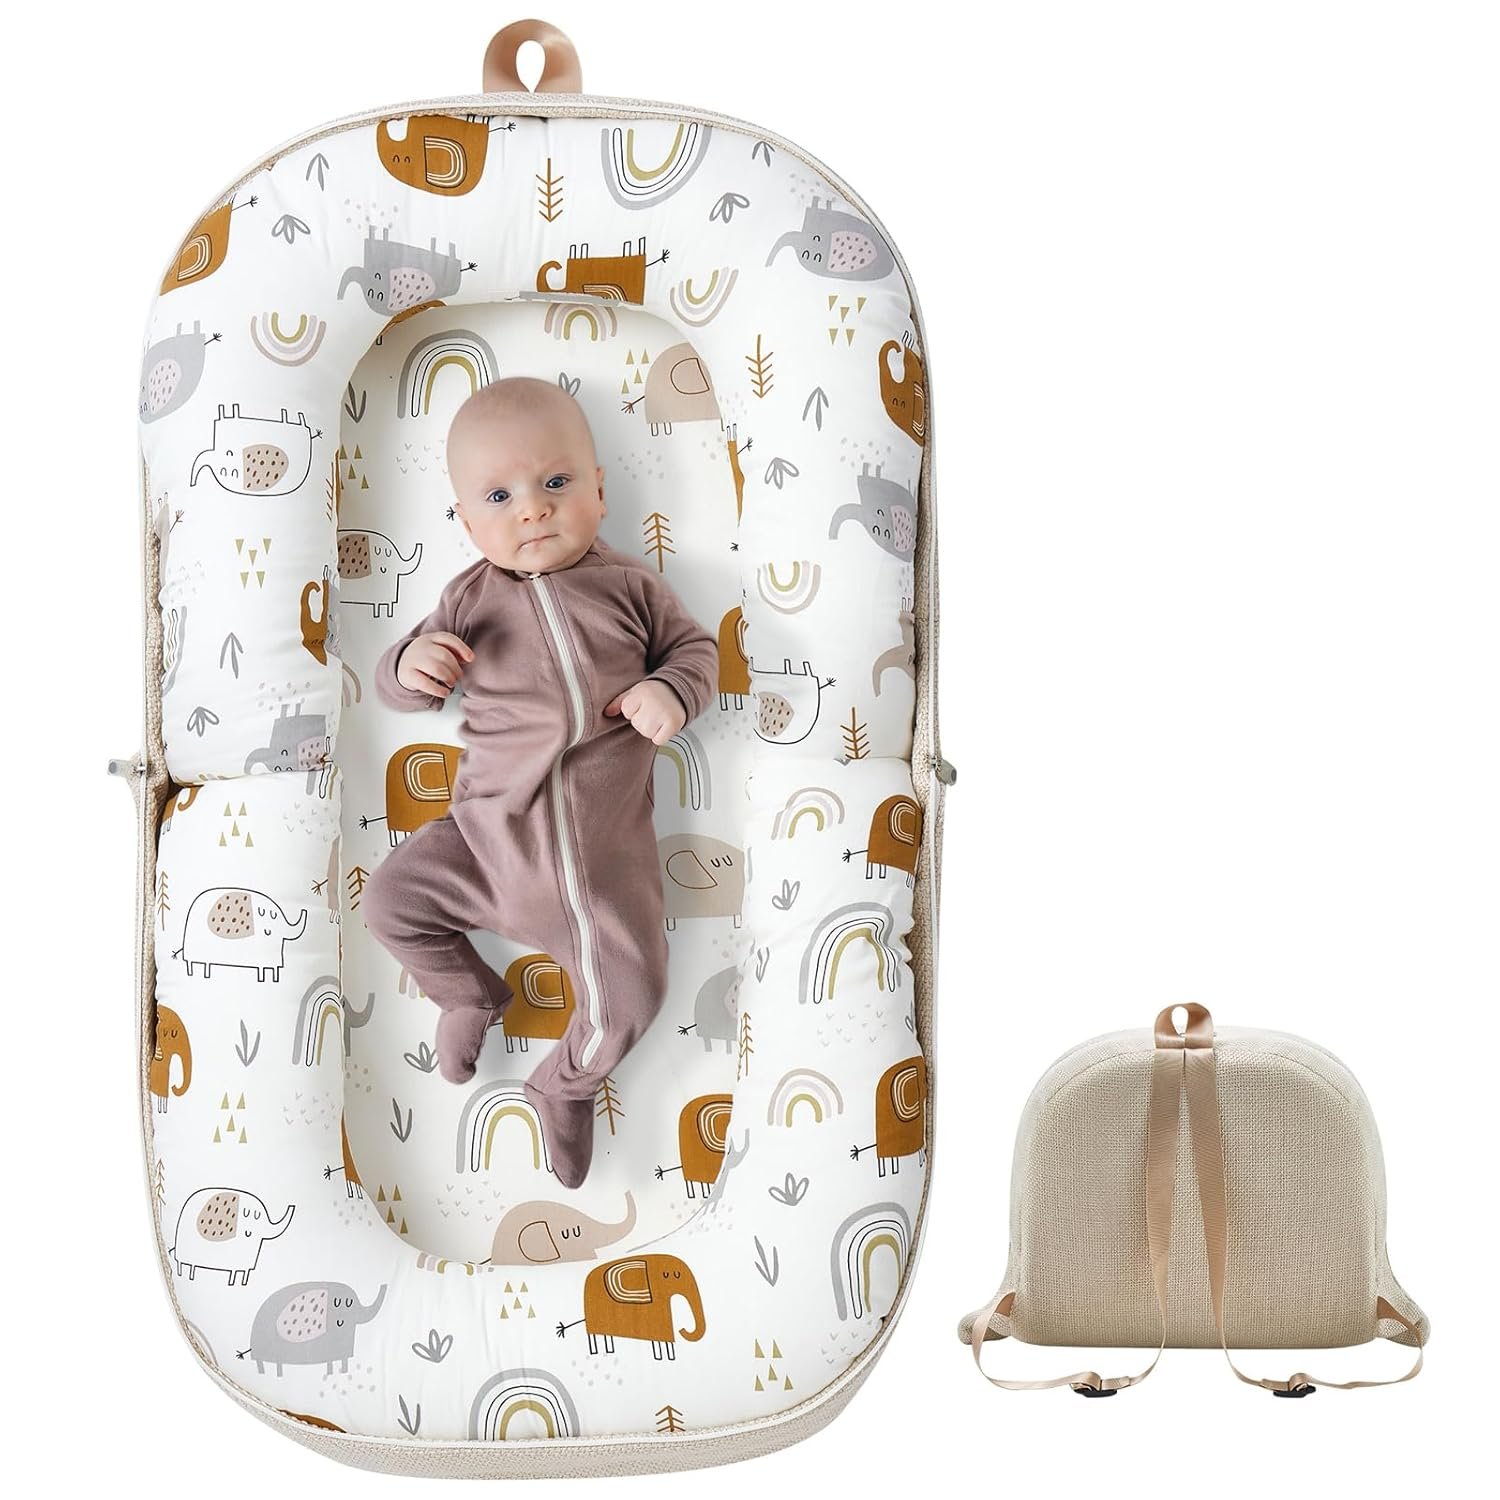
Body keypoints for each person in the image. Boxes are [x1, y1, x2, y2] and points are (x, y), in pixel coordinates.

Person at [362, 376, 718, 1189]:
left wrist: (671, 691)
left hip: (603, 874)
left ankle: (563, 1084)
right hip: (484, 846)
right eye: (500, 496)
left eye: (556, 482)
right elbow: (398, 685)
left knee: (633, 998)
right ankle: (467, 995)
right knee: (387, 901)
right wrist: (408, 666)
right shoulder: (466, 599)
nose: (532, 509)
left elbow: (696, 651)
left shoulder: (631, 588)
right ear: (466, 522)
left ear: (599, 489)